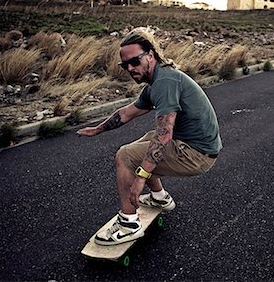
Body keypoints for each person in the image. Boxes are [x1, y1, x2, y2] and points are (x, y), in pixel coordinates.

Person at [77, 27, 222, 246]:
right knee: (147, 138)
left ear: (151, 55)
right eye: (125, 65)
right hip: (194, 146)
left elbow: (164, 137)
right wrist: (98, 129)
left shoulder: (165, 82)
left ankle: (128, 224)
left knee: (126, 156)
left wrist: (140, 178)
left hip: (197, 154)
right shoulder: (157, 79)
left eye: (135, 61)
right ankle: (159, 197)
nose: (130, 68)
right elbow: (127, 113)